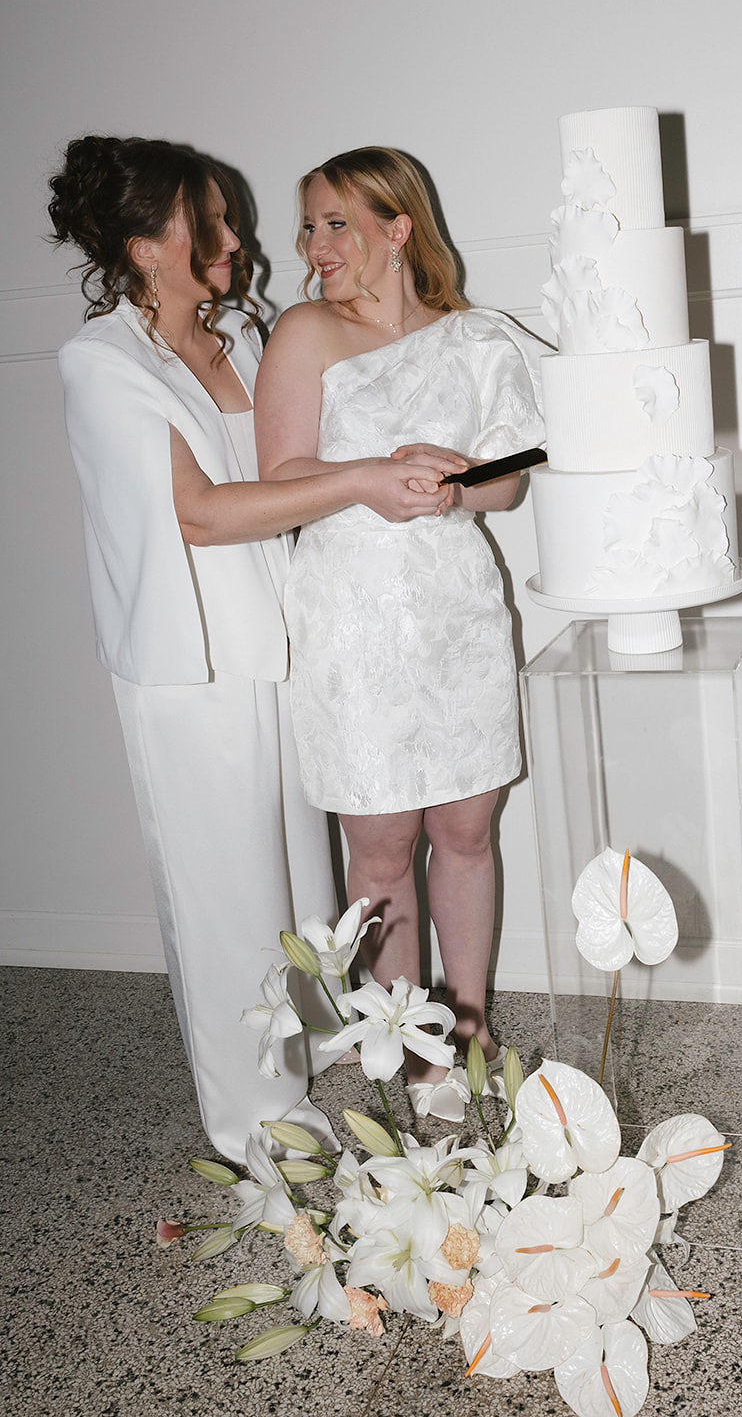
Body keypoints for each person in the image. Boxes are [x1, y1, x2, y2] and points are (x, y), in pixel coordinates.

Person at [49, 135, 464, 1159]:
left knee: (296, 878)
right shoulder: (101, 362)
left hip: (284, 635)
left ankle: (309, 1050)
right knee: (226, 894)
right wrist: (362, 480)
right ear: (147, 246)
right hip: (193, 665)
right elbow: (195, 512)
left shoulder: (237, 334)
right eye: (211, 222)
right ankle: (255, 1119)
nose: (237, 240)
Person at [254, 146, 544, 1112]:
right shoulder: (305, 331)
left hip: (456, 612)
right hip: (351, 616)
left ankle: (472, 1027)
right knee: (379, 847)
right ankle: (409, 1043)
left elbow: (509, 479)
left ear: (398, 228)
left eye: (337, 223)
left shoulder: (476, 337)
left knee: (466, 829)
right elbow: (281, 475)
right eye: (309, 226)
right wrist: (371, 479)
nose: (316, 244)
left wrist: (459, 480)